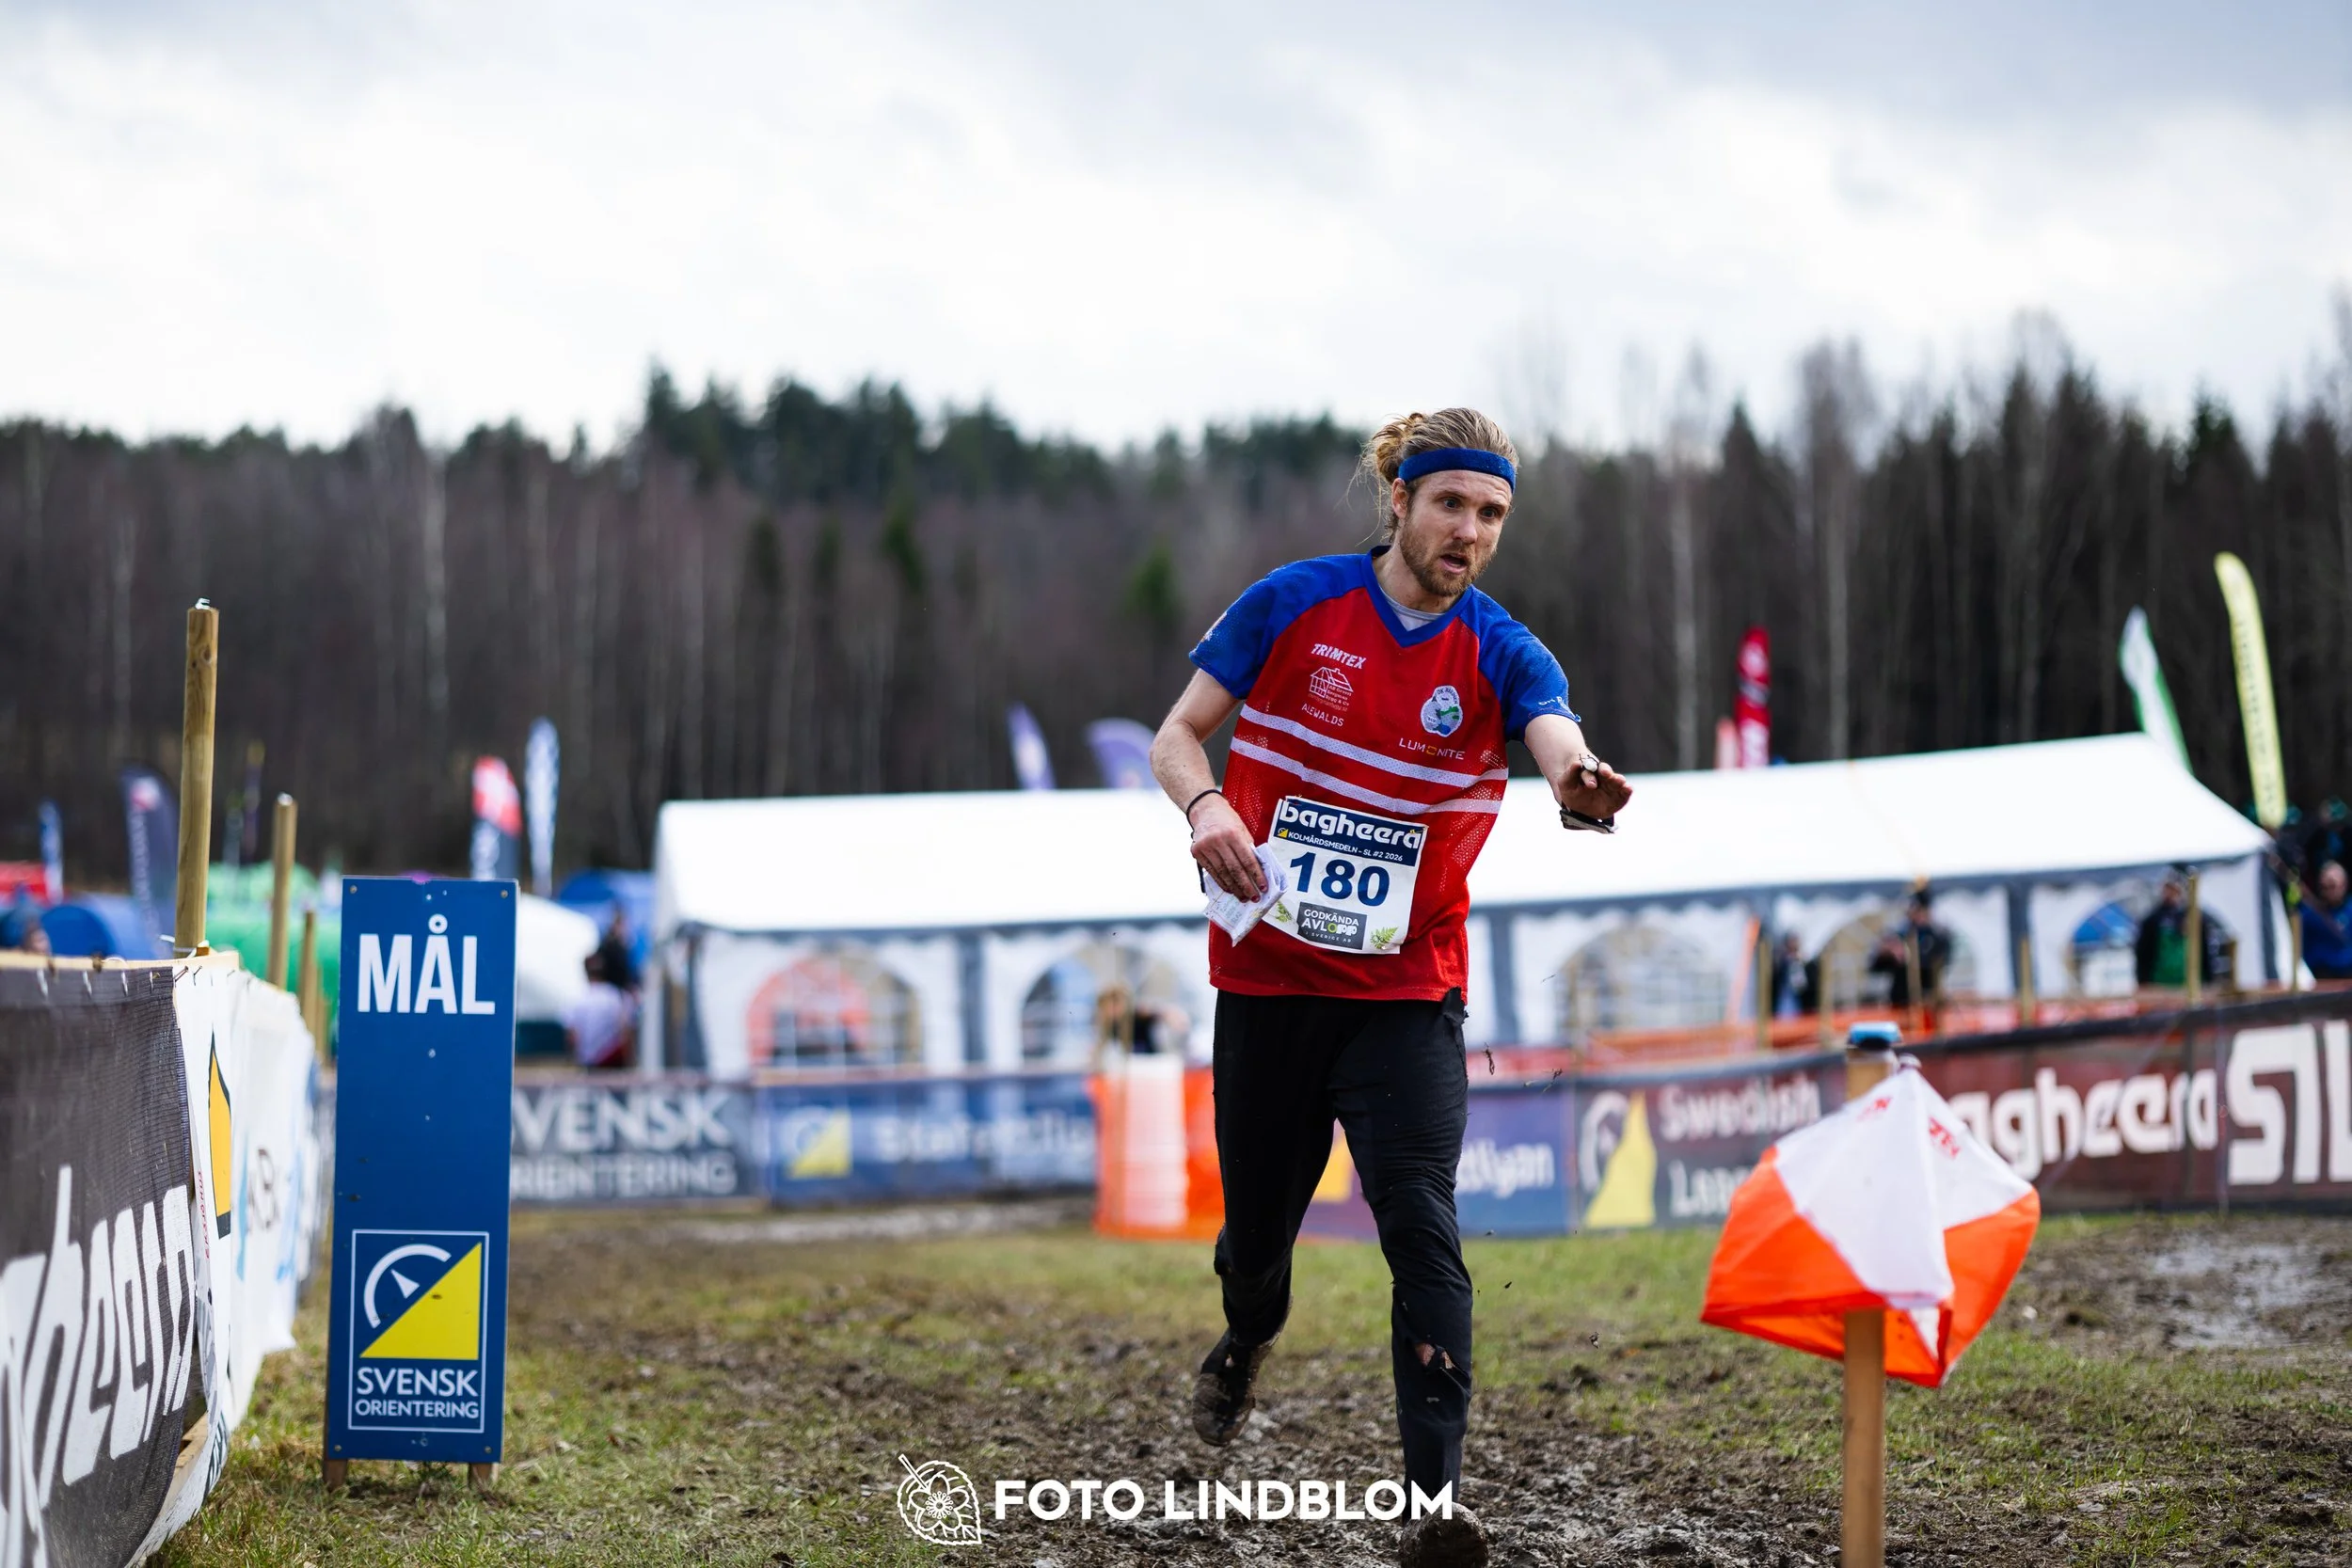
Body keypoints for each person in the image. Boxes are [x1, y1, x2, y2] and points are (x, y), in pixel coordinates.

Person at [1150, 408, 1632, 1568]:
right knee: (1256, 1238)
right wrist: (1207, 804)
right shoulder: (1296, 603)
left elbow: (1555, 737)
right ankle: (1245, 1333)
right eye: (1452, 504)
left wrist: (1580, 780)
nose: (1470, 531)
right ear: (1401, 501)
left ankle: (1433, 1505)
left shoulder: (1504, 649)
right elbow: (1176, 738)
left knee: (1419, 1215)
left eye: (1493, 514)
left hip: (1407, 994)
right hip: (1267, 981)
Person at [2135, 872, 2232, 990]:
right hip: (2161, 985)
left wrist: (2210, 980)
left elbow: (2208, 951)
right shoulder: (2153, 920)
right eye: (2168, 888)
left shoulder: (2197, 917)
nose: (2171, 893)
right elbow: (2143, 954)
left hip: (2194, 984)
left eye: (2174, 889)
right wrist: (2143, 982)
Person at [1868, 890, 1951, 1009]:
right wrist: (1885, 954)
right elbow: (1875, 967)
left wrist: (1908, 956)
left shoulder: (1939, 935)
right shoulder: (1899, 933)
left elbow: (1941, 963)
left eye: (1917, 908)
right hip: (1900, 1001)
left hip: (1927, 1001)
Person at [2298, 861, 2352, 981]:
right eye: (2324, 887)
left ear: (2344, 885)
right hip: (2321, 978)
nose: (2328, 891)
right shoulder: (2309, 915)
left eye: (2332, 886)